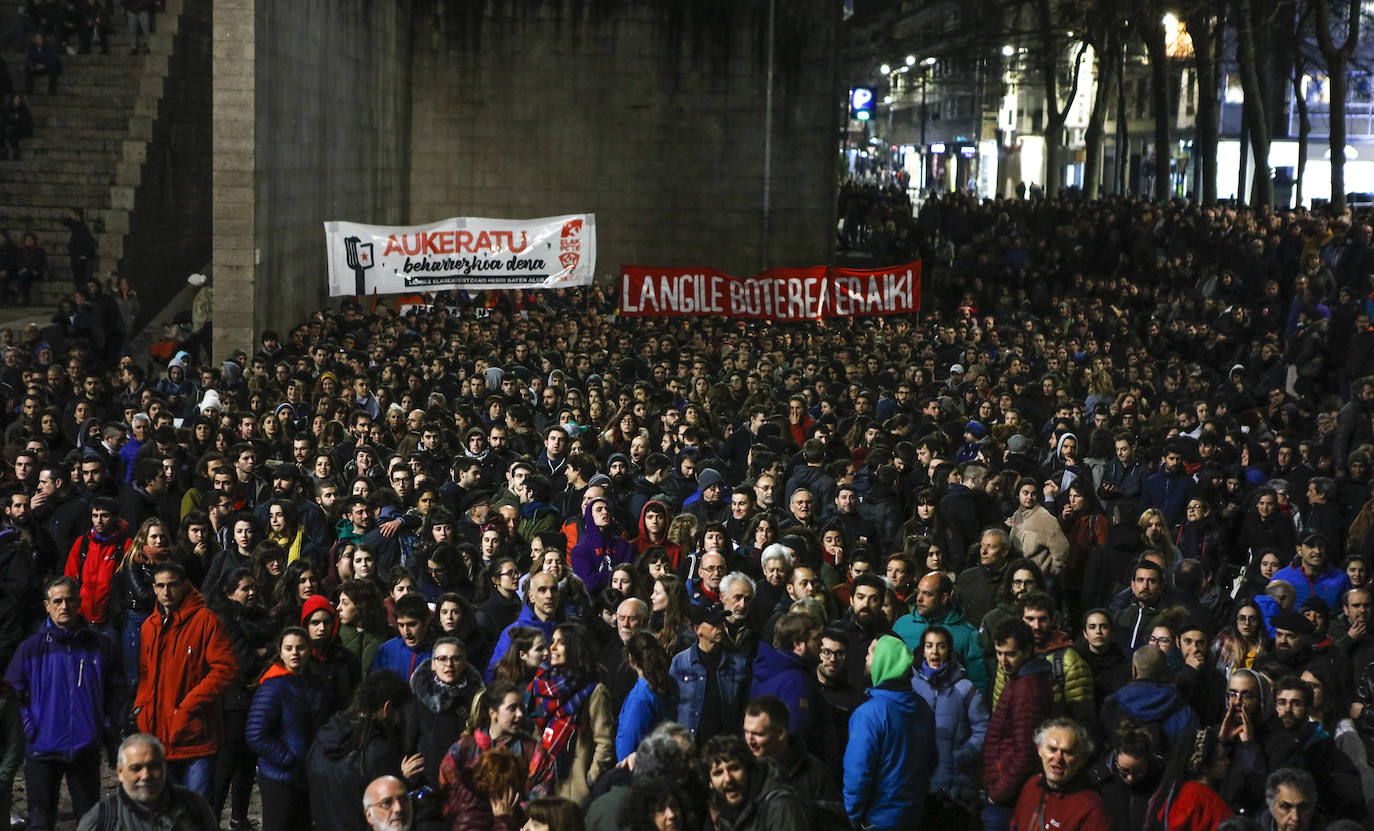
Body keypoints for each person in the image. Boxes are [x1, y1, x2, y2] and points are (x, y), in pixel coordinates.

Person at [6, 576, 125, 831]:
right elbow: (11, 694)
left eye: (70, 600)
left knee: (89, 822)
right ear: (47, 606)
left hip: (84, 747)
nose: (64, 606)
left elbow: (116, 691)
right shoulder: (31, 648)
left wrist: (103, 724)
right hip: (42, 749)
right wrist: (29, 726)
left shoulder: (100, 644)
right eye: (57, 601)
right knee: (41, 822)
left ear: (79, 602)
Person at [134, 561, 238, 798]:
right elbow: (144, 672)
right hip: (159, 736)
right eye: (160, 586)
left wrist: (188, 707)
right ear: (153, 588)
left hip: (196, 737)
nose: (166, 592)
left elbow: (226, 668)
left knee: (195, 814)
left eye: (172, 585)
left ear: (184, 586)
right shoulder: (149, 626)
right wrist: (142, 707)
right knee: (166, 813)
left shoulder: (205, 620)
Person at [308, 670, 422, 831]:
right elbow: (385, 813)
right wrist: (401, 781)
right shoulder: (377, 752)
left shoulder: (323, 738)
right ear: (387, 708)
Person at [843, 634, 936, 831]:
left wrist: (850, 819)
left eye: (871, 654)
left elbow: (857, 776)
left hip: (877, 820)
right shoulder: (923, 708)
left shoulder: (868, 715)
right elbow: (931, 761)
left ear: (883, 662)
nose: (866, 658)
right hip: (913, 815)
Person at [246, 626, 330, 831]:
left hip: (308, 774)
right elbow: (255, 734)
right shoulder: (272, 687)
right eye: (289, 648)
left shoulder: (317, 683)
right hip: (280, 777)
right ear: (281, 652)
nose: (295, 653)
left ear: (309, 650)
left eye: (300, 648)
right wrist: (287, 759)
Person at [526, 624, 614, 805]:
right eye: (553, 642)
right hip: (545, 782)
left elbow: (604, 743)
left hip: (573, 790)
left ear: (575, 648)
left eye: (561, 643)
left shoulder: (594, 691)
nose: (553, 647)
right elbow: (539, 730)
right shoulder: (544, 686)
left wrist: (589, 780)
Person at [911, 625, 988, 828]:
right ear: (923, 650)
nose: (934, 652)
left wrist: (962, 755)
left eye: (941, 646)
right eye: (929, 646)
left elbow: (983, 728)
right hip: (920, 785)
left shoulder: (965, 688)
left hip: (956, 787)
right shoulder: (911, 686)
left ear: (949, 650)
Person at [983, 619, 1053, 831]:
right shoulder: (1020, 680)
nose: (1003, 661)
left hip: (1010, 796)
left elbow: (1026, 752)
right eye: (998, 653)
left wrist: (998, 793)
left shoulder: (1027, 689)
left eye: (1010, 654)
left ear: (1028, 650)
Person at [75, 734, 218, 831]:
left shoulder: (194, 806)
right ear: (120, 772)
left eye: (153, 766)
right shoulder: (102, 819)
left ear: (164, 767)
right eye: (136, 768)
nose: (145, 775)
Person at [403, 636, 483, 794]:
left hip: (469, 785)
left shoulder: (478, 700)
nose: (449, 664)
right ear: (433, 664)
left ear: (465, 663)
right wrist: (404, 775)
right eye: (442, 659)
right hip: (428, 786)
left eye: (456, 659)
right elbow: (406, 743)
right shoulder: (418, 700)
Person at [1008, 719, 1108, 831]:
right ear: (1039, 750)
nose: (1058, 758)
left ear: (1081, 759)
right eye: (1052, 749)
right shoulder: (1032, 784)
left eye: (1067, 752)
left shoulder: (1090, 807)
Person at [669, 603, 749, 743]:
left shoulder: (738, 662)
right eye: (714, 624)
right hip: (689, 744)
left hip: (725, 744)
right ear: (697, 629)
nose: (720, 628)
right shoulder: (680, 662)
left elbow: (745, 704)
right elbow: (670, 704)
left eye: (721, 623)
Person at [700, 735, 808, 831]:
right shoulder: (722, 809)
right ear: (710, 783)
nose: (728, 778)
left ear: (748, 769)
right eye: (718, 773)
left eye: (734, 768)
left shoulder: (780, 806)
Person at [615, 631, 676, 762]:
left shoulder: (640, 697)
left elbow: (628, 745)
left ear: (631, 659)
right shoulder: (669, 683)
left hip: (641, 769)